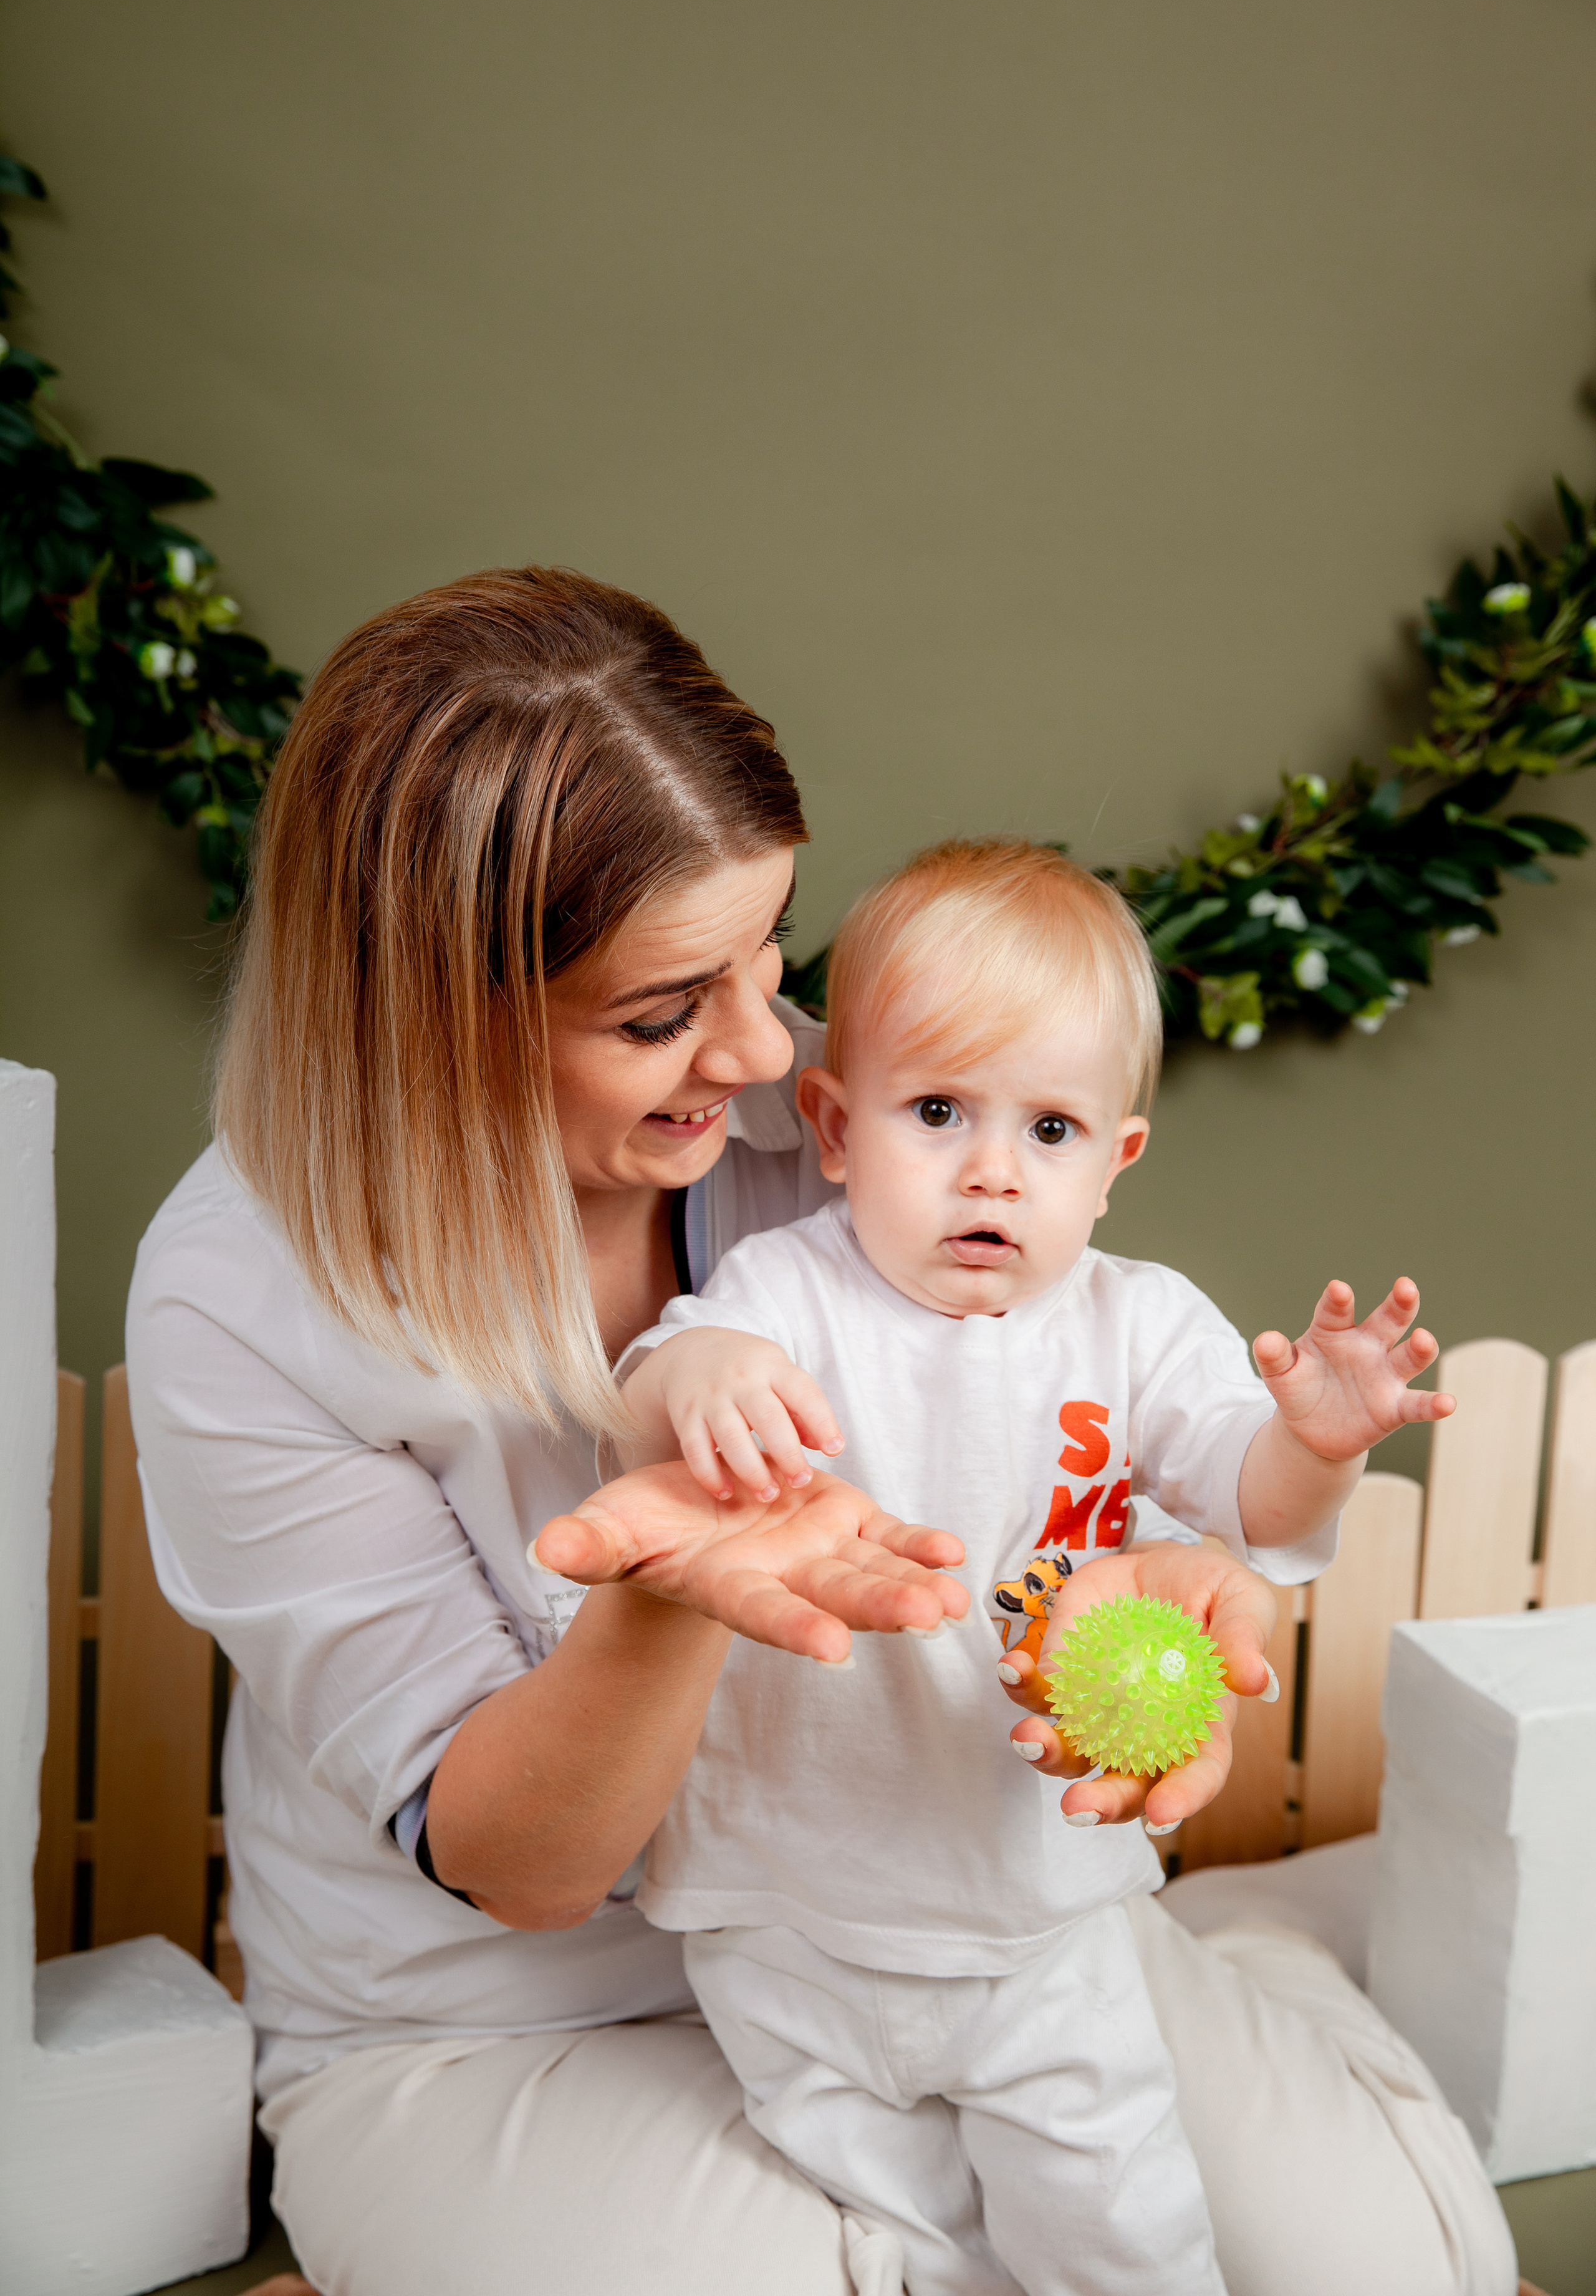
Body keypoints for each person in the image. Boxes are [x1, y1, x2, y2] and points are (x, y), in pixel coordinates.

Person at [124, 569, 1516, 2296]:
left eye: (765, 953)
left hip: (935, 1912)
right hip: (509, 2012)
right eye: (657, 1014)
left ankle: (1262, 1970)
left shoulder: (845, 1113)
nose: (759, 1048)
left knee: (1386, 2266)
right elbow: (520, 1864)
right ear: (432, 1019)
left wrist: (1164, 1582)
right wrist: (672, 1595)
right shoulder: (237, 1296)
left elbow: (1089, 1426)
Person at [613, 837, 1454, 2296]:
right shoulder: (781, 1295)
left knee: (1117, 2214)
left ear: (1115, 1160)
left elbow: (1244, 1495)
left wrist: (1314, 1443)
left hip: (1037, 1907)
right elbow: (658, 1378)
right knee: (891, 2230)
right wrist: (704, 1376)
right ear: (830, 1123)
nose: (991, 1170)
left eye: (1049, 1130)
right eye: (935, 1111)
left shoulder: (1136, 1328)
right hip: (785, 1910)